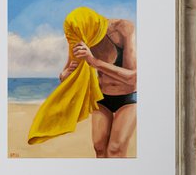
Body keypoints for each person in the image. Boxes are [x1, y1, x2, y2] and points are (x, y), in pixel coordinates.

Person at [59, 17, 137, 158]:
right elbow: (64, 77)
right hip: (101, 98)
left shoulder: (123, 28)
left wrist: (94, 62)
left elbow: (132, 78)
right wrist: (67, 73)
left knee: (115, 150)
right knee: (99, 148)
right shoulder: (81, 39)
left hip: (128, 98)